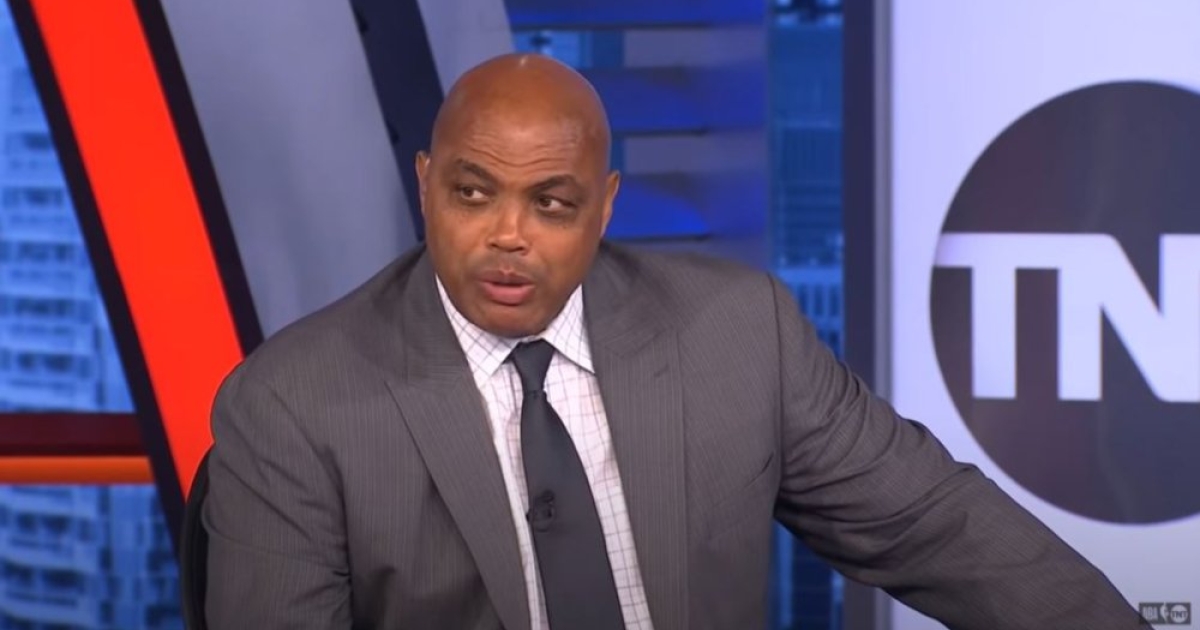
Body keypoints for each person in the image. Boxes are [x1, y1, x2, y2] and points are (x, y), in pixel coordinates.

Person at [203, 53, 1144, 629]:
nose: (507, 235)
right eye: (472, 193)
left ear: (606, 206)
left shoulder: (738, 334)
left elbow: (935, 527)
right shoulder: (292, 406)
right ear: (424, 184)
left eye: (552, 204)